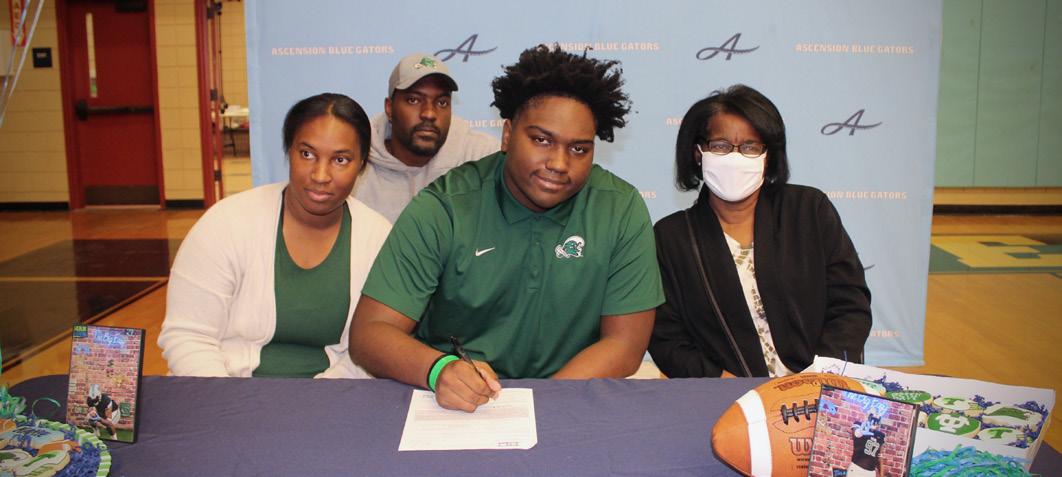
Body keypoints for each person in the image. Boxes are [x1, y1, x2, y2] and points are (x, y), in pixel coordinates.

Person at [350, 45, 664, 412]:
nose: (559, 163)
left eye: (579, 149)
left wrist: (542, 404)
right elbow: (370, 333)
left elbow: (625, 345)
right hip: (455, 403)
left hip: (571, 398)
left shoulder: (620, 208)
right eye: (542, 140)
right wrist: (438, 370)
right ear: (507, 135)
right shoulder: (445, 207)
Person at [158, 93, 392, 379]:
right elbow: (187, 337)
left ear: (362, 165)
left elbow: (375, 347)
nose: (320, 175)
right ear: (289, 151)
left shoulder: (378, 238)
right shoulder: (227, 223)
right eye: (307, 154)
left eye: (340, 160)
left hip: (331, 395)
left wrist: (323, 396)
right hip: (224, 389)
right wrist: (226, 400)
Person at [648, 84, 871, 378]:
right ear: (698, 152)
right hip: (726, 394)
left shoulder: (808, 210)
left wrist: (817, 378)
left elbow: (850, 304)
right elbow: (666, 338)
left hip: (818, 384)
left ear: (768, 155)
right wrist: (720, 382)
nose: (735, 157)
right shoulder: (671, 237)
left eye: (750, 146)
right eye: (720, 145)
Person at [354, 53, 499, 222]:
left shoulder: (482, 157)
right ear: (389, 108)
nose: (429, 114)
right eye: (414, 100)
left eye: (442, 102)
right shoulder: (357, 163)